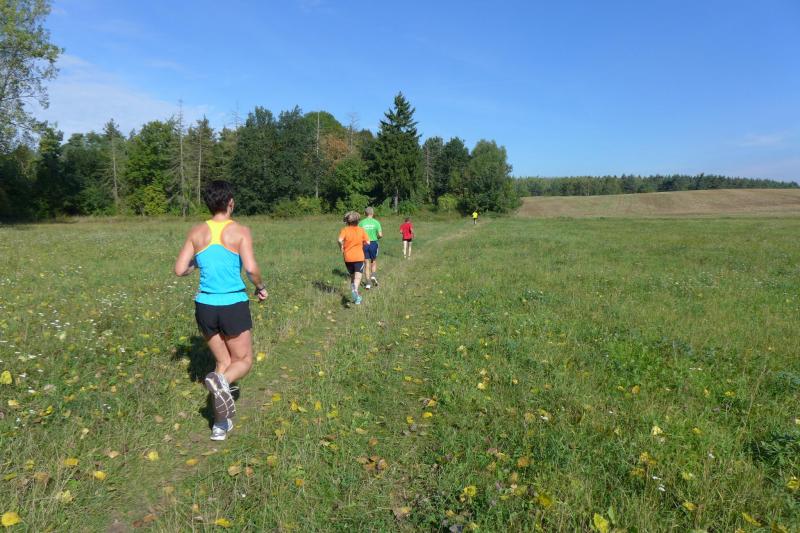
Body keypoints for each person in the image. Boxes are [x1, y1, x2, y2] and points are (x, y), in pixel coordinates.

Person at [173, 180, 267, 441]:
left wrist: (197, 264)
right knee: (243, 361)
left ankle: (220, 425)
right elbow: (251, 268)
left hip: (205, 306)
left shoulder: (197, 232)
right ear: (230, 202)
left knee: (223, 363)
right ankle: (222, 384)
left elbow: (180, 269)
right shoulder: (240, 231)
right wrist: (260, 287)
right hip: (232, 304)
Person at [338, 211, 370, 305]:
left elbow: (339, 240)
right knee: (358, 277)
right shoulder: (361, 230)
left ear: (347, 221)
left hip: (347, 258)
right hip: (359, 257)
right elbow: (368, 242)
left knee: (352, 276)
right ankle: (355, 291)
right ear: (358, 221)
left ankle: (356, 298)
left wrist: (341, 247)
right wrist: (363, 244)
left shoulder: (345, 230)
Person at [358, 206, 383, 290]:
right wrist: (376, 238)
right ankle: (373, 276)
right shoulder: (376, 222)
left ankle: (368, 283)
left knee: (366, 263)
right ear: (373, 213)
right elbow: (380, 235)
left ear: (365, 213)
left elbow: (358, 235)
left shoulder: (361, 223)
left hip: (364, 244)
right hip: (373, 243)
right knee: (373, 261)